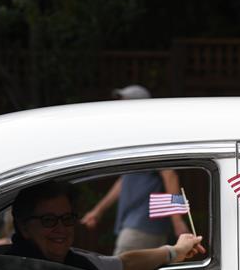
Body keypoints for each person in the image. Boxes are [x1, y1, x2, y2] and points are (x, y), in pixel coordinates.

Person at [10, 181, 204, 270]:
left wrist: (175, 252)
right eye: (48, 220)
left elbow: (124, 265)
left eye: (67, 219)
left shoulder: (79, 263)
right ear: (24, 227)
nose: (61, 228)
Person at [80, 85, 190, 253]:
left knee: (121, 266)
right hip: (137, 224)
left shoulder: (152, 136)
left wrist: (177, 220)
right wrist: (98, 211)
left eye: (125, 104)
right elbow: (125, 180)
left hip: (143, 225)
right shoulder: (137, 137)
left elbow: (170, 176)